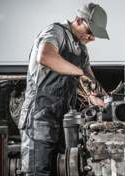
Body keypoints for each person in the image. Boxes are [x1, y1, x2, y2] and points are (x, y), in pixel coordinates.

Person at [18, 3, 109, 175]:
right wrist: (79, 72)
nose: (93, 38)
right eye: (91, 32)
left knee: (60, 170)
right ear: (80, 20)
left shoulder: (82, 49)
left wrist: (99, 98)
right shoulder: (55, 32)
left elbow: (90, 82)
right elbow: (44, 56)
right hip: (39, 117)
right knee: (37, 171)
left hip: (62, 120)